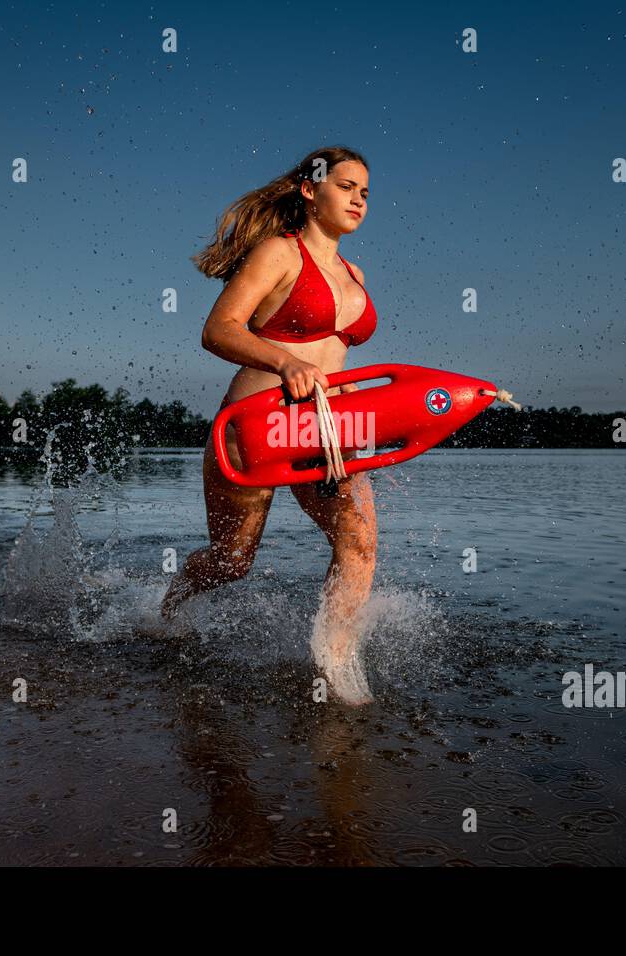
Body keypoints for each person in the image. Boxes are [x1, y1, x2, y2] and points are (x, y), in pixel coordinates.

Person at [161, 145, 379, 705]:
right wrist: (283, 361)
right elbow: (218, 330)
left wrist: (363, 407)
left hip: (326, 432)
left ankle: (335, 664)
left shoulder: (354, 272)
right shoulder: (278, 254)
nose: (358, 198)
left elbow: (334, 356)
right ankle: (174, 601)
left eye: (365, 192)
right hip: (257, 428)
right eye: (346, 186)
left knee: (359, 541)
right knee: (233, 562)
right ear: (310, 190)